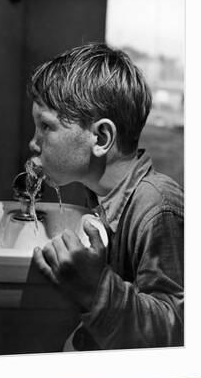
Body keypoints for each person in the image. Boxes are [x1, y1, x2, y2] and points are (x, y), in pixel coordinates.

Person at [29, 43, 184, 351]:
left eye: (46, 127)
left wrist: (95, 288)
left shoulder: (157, 205)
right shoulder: (100, 197)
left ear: (101, 138)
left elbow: (176, 331)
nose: (34, 143)